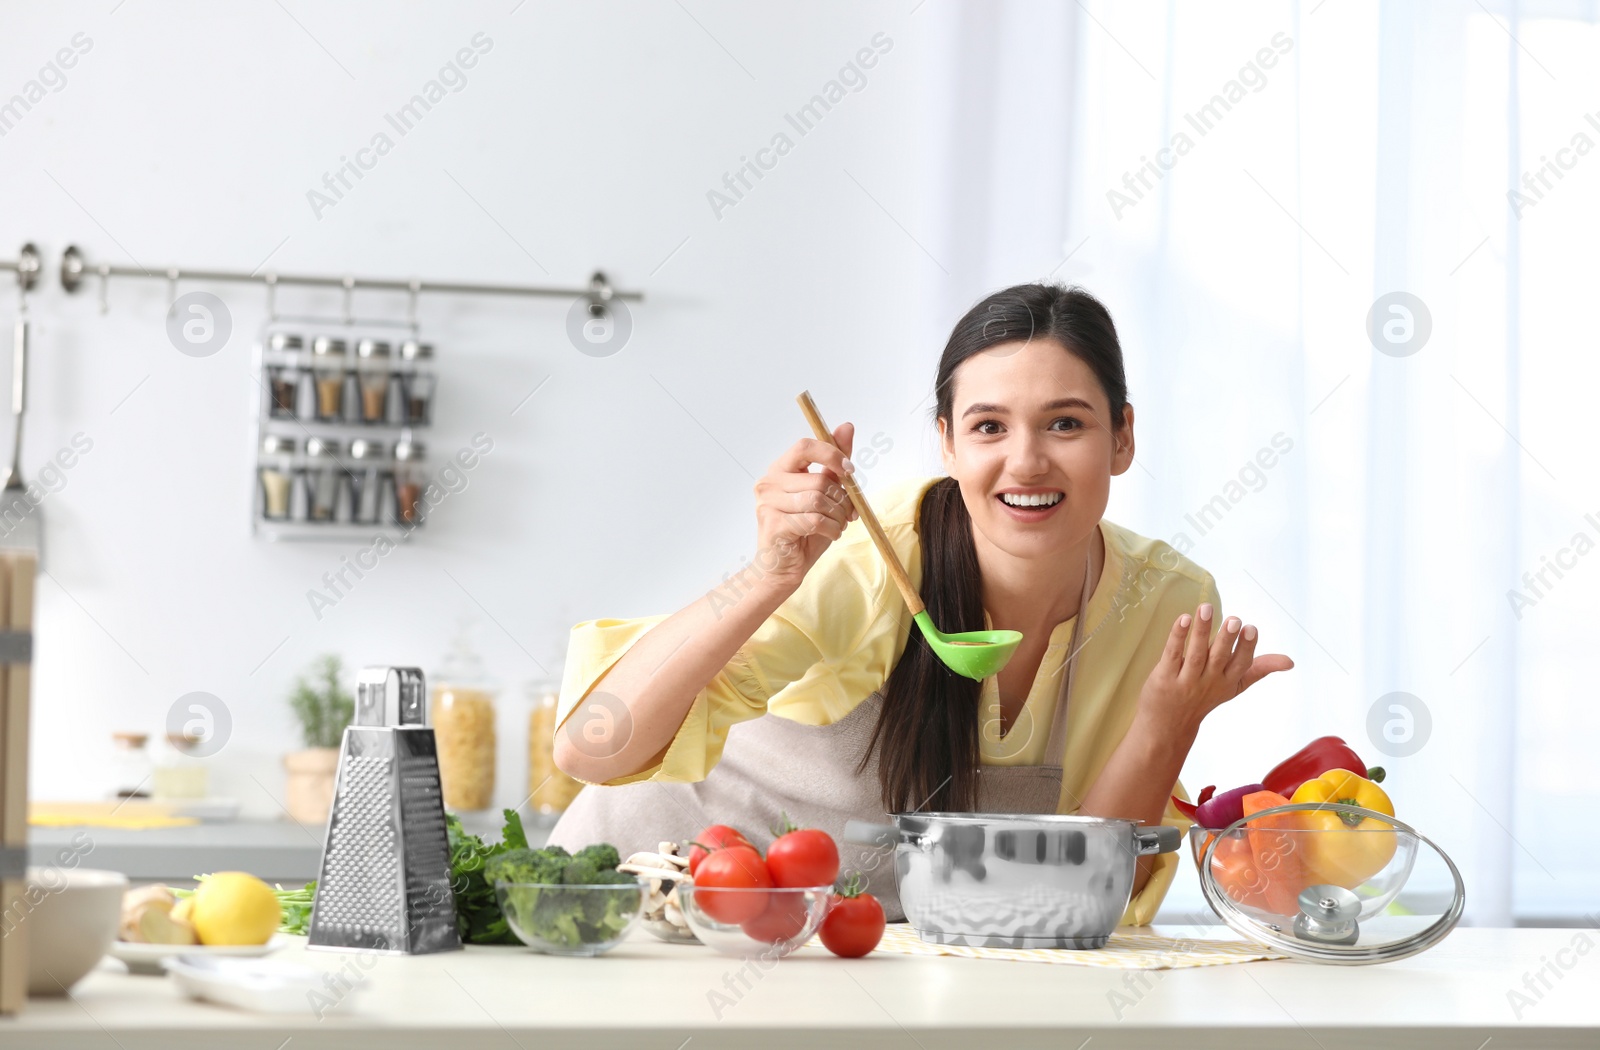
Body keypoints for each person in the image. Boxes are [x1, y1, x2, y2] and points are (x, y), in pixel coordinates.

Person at [548, 283, 1293, 924]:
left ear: (1122, 438)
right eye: (988, 427)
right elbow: (589, 746)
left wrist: (1167, 725)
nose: (1026, 460)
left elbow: (1085, 883)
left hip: (845, 955)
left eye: (1065, 423)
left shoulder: (1165, 602)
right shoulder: (875, 561)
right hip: (639, 906)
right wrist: (770, 574)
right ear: (947, 443)